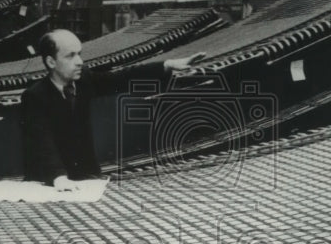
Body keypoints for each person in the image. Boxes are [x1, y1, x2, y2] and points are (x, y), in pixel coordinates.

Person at [20, 29, 204, 191]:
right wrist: (58, 178)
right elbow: (43, 142)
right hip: (48, 184)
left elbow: (122, 78)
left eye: (79, 54)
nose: (79, 61)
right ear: (51, 62)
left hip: (86, 178)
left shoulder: (83, 80)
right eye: (70, 56)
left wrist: (166, 65)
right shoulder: (35, 96)